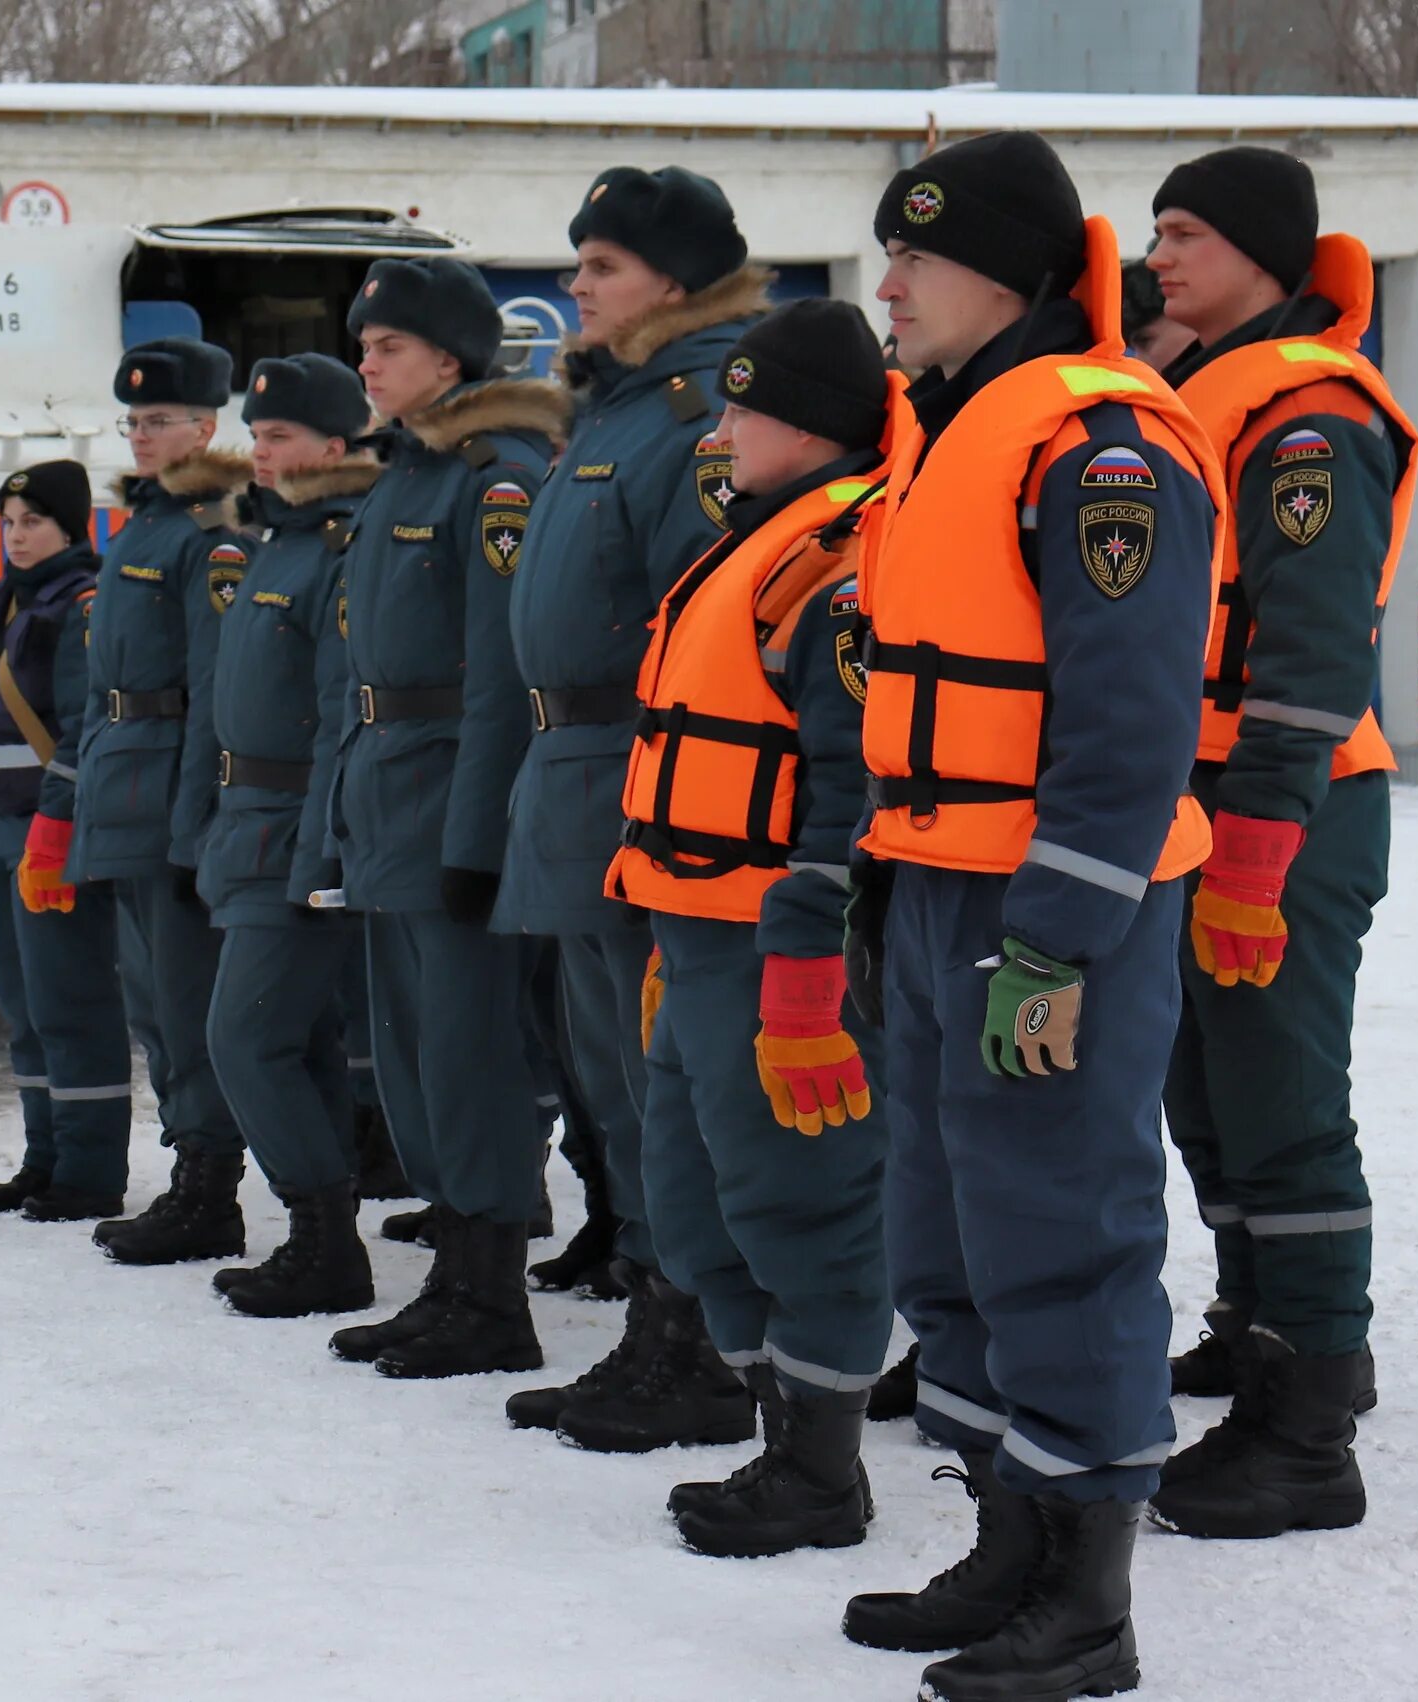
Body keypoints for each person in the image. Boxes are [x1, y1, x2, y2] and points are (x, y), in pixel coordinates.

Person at [838, 135, 1222, 1701]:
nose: (889, 285)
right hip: (935, 881)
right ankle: (1007, 1533)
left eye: (917, 259)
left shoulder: (1106, 442)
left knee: (1065, 1230)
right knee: (950, 1231)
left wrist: (1059, 933)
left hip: (1053, 896)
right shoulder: (945, 428)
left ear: (1009, 274)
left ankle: (1089, 1590)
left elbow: (1128, 719)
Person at [1142, 147, 1412, 1541]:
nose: (1161, 255)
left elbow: (1309, 651)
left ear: (1263, 252)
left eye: (1185, 232)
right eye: (1156, 231)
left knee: (1285, 1107)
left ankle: (1311, 1425)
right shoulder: (1203, 391)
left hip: (1284, 804)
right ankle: (1254, 1325)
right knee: (1211, 1093)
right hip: (1202, 800)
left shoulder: (1307, 418)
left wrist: (1254, 846)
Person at [606, 298, 899, 1554]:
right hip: (698, 928)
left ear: (812, 427)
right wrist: (678, 944)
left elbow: (848, 791)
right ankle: (774, 1427)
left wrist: (808, 969)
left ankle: (821, 1470)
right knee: (692, 1196)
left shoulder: (841, 561)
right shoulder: (752, 541)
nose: (719, 432)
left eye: (744, 409)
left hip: (785, 942)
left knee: (803, 1198)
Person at [491, 164, 768, 1450]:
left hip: (650, 777)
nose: (574, 287)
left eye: (599, 265)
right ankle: (660, 1319)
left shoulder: (701, 408)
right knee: (613, 1074)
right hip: (578, 777)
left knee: (671, 1077)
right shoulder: (612, 413)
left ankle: (705, 1341)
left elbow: (715, 619)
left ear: (673, 278)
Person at [315, 256, 568, 1380]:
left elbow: (502, 676)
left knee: (469, 1057)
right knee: (415, 1057)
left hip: (451, 794)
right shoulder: (407, 474)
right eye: (364, 346)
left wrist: (477, 843)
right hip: (390, 793)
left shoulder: (493, 477)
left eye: (388, 348)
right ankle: (454, 1275)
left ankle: (491, 1294)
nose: (367, 363)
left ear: (452, 359)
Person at [190, 354, 382, 1318]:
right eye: (256, 438)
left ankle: (323, 1238)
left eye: (281, 439)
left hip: (297, 830)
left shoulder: (338, 553)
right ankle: (324, 1240)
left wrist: (322, 855)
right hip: (247, 825)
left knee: (245, 1037)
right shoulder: (274, 545)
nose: (260, 454)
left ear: (337, 447)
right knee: (296, 1041)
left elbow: (341, 713)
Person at [73, 340, 255, 1267]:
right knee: (150, 1001)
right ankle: (189, 1165)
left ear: (207, 426)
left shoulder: (206, 532)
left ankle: (209, 1187)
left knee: (187, 1006)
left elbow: (215, 690)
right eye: (134, 422)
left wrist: (196, 826)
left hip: (169, 793)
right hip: (123, 783)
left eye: (161, 420)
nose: (143, 436)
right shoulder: (141, 525)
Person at [0, 460, 137, 1224]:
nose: (17, 537)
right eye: (9, 523)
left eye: (34, 523)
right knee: (23, 1007)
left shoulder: (82, 605)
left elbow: (87, 725)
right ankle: (44, 1157)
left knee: (70, 1001)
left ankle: (89, 1171)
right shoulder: (1, 606)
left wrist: (58, 824)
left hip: (52, 832)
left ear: (71, 526)